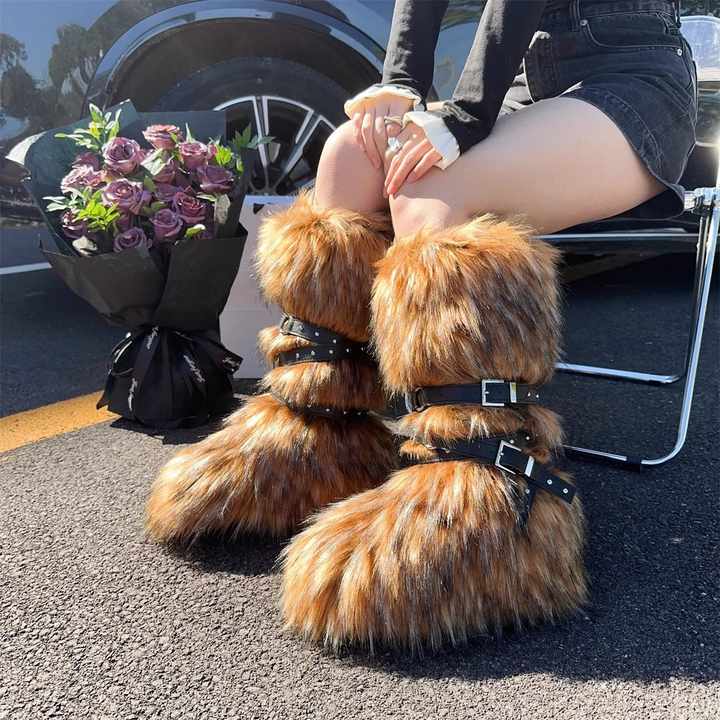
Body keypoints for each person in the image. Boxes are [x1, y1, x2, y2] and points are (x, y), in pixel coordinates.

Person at [145, 0, 698, 653]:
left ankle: (487, 496)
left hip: (628, 77)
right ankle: (320, 437)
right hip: (528, 83)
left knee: (428, 184)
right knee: (351, 153)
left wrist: (463, 115)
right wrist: (400, 86)